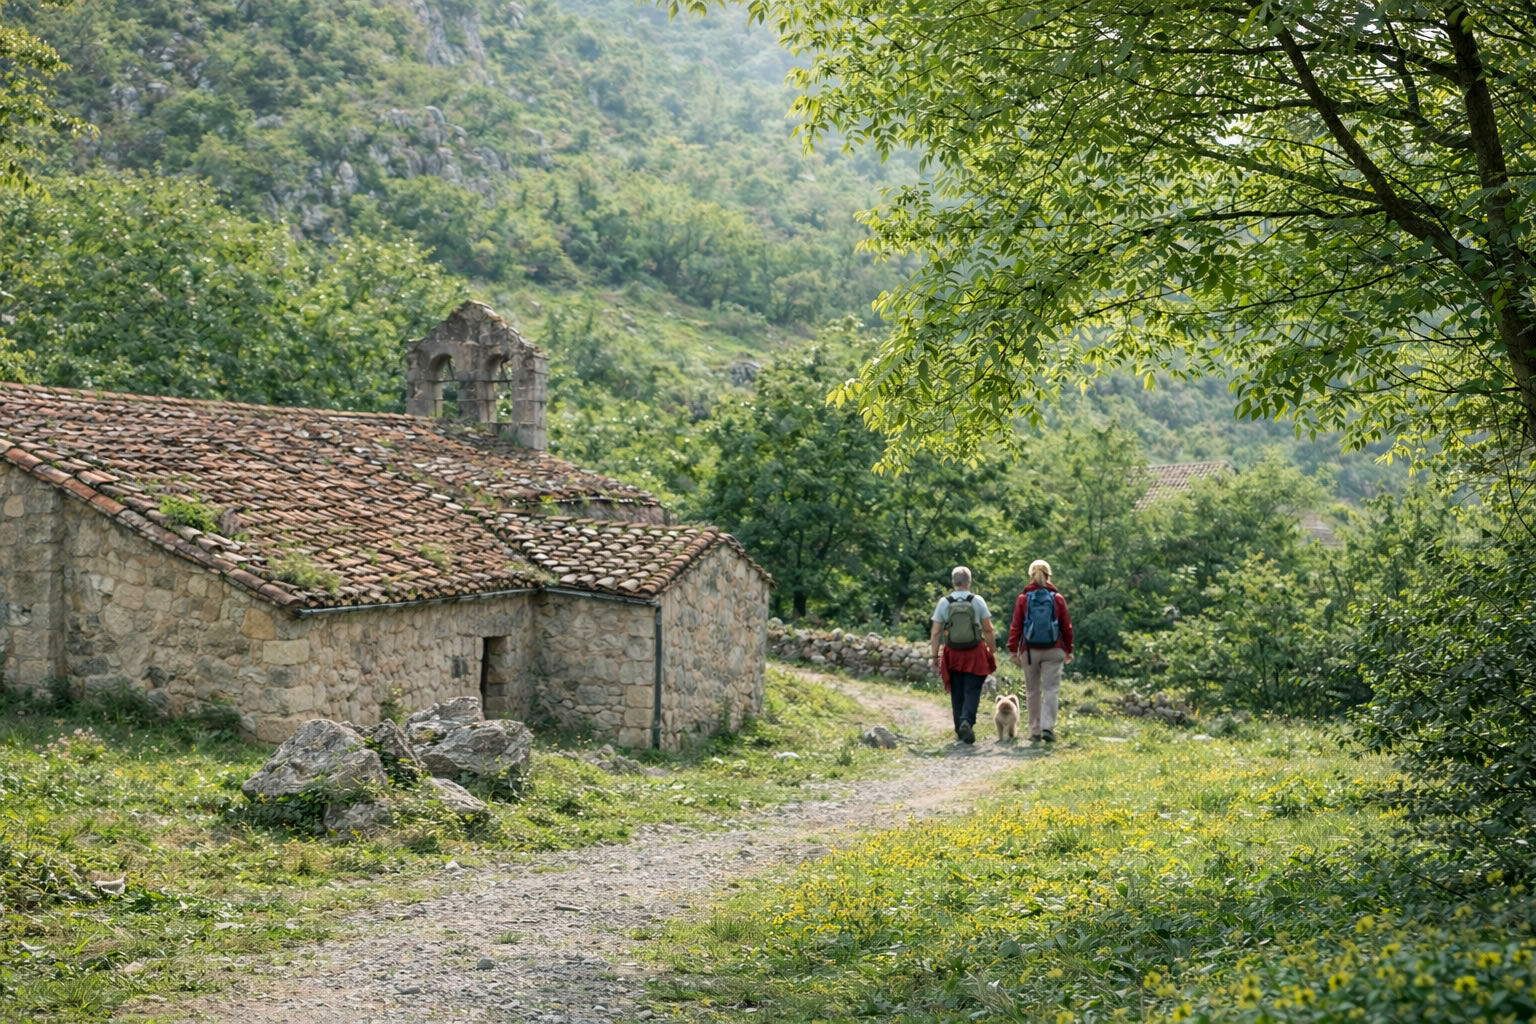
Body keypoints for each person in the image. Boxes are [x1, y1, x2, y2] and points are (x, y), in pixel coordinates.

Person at [1006, 559, 1074, 743]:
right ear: (1049, 575)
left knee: (1032, 691)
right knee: (1051, 689)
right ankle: (1047, 728)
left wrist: (1013, 650)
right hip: (1055, 650)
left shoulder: (1023, 599)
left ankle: (1035, 730)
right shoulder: (1057, 599)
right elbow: (1066, 626)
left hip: (1029, 651)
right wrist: (1069, 650)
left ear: (1031, 576)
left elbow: (1016, 626)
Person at [930, 566, 998, 744]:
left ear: (953, 582)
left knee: (957, 691)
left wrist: (934, 656)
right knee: (972, 689)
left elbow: (936, 632)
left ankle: (959, 728)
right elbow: (988, 629)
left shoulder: (944, 602)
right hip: (974, 652)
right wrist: (992, 650)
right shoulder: (977, 601)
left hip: (953, 653)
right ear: (969, 582)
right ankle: (966, 721)